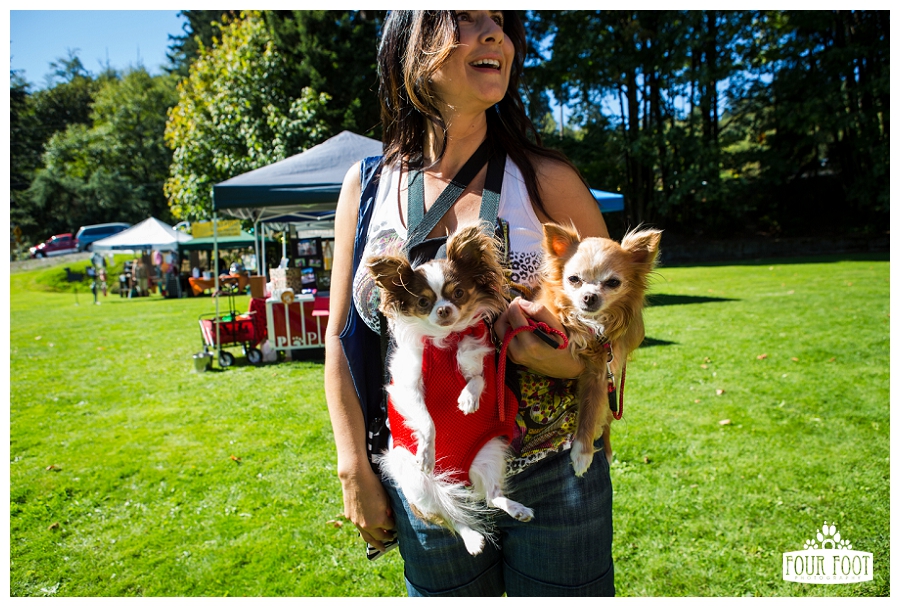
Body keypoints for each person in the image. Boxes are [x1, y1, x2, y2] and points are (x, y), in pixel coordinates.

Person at [324, 10, 613, 597]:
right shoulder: (368, 185)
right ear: (411, 43)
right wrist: (354, 466)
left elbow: (616, 324)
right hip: (429, 470)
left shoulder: (549, 181)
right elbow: (339, 333)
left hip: (554, 473)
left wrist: (564, 360)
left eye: (500, 20)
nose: (494, 33)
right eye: (465, 17)